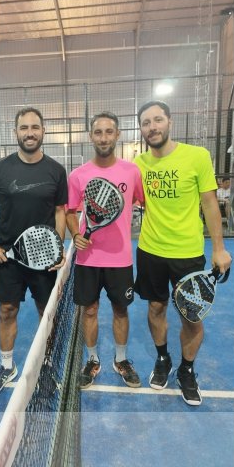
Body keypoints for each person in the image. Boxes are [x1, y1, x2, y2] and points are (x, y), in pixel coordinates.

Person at [134, 100, 232, 406]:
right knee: (155, 308)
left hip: (188, 253)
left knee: (192, 317)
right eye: (146, 122)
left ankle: (186, 370)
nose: (152, 127)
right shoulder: (139, 164)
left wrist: (219, 248)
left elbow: (210, 203)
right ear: (141, 129)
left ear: (170, 121)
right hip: (150, 250)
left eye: (157, 120)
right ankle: (163, 358)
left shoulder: (197, 156)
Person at [0, 106, 68, 397]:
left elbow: (60, 211)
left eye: (35, 127)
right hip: (8, 258)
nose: (30, 133)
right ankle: (7, 367)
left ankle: (47, 365)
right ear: (15, 132)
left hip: (44, 258)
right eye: (24, 127)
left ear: (43, 131)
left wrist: (57, 248)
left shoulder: (56, 170)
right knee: (7, 310)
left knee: (47, 313)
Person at [66, 111, 145, 389]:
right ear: (91, 136)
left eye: (109, 132)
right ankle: (92, 360)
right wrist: (76, 234)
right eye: (98, 132)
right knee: (89, 311)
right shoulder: (78, 175)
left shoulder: (132, 172)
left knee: (121, 310)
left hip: (120, 259)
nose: (103, 138)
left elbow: (143, 203)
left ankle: (121, 360)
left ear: (117, 135)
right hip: (87, 260)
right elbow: (70, 211)